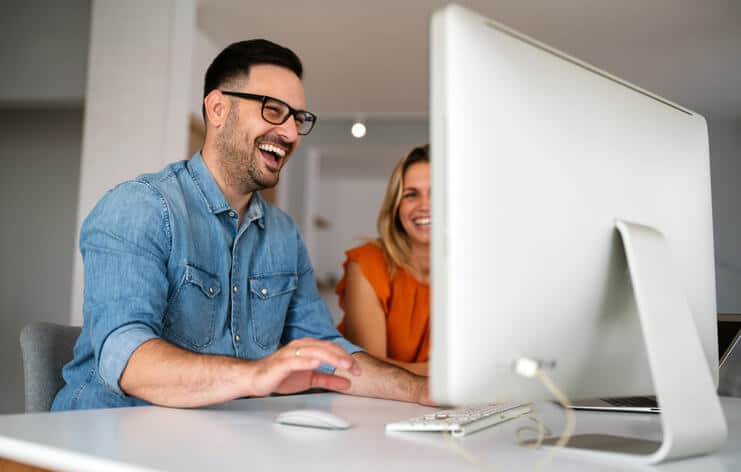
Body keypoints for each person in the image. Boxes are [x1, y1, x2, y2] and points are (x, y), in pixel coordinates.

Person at [52, 39, 429, 410]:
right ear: (218, 109)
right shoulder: (140, 206)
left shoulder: (282, 233)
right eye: (273, 110)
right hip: (106, 437)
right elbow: (126, 356)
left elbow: (326, 350)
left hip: (220, 436)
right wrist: (254, 375)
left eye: (298, 118)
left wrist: (419, 391)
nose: (292, 133)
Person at [336, 145, 430, 376]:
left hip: (448, 408)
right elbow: (370, 371)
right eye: (411, 194)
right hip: (372, 406)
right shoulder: (368, 263)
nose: (425, 206)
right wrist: (441, 374)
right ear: (396, 205)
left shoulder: (475, 274)